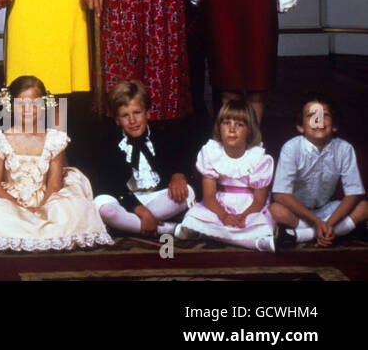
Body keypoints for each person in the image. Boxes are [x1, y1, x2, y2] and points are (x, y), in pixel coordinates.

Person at [0, 75, 113, 251]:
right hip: (7, 197)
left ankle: (45, 231)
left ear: (43, 106)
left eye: (34, 103)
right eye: (21, 104)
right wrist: (17, 205)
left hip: (45, 197)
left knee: (69, 212)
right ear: (10, 105)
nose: (28, 109)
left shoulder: (54, 140)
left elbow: (54, 184)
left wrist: (42, 206)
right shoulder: (0, 139)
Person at [92, 80, 195, 237]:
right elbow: (112, 185)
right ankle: (168, 229)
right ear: (117, 120)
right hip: (126, 200)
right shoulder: (109, 143)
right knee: (102, 207)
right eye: (125, 115)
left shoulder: (163, 133)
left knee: (188, 192)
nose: (132, 120)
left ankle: (127, 226)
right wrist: (142, 211)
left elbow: (182, 155)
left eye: (137, 113)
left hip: (158, 197)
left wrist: (178, 175)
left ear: (147, 113)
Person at [175, 99, 277, 251]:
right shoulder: (212, 152)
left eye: (239, 124)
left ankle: (206, 234)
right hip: (219, 205)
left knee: (261, 225)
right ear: (219, 127)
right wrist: (223, 216)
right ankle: (250, 242)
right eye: (226, 123)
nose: (232, 129)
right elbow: (209, 196)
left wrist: (242, 217)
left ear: (249, 130)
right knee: (193, 217)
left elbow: (259, 201)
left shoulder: (258, 158)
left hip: (249, 208)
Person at [270, 95, 368, 247]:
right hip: (298, 212)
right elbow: (281, 194)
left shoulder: (344, 148)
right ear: (300, 127)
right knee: (276, 211)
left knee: (364, 207)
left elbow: (353, 193)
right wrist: (316, 222)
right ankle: (337, 232)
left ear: (334, 125)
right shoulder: (291, 148)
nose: (318, 120)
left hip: (327, 211)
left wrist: (328, 223)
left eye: (325, 115)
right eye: (311, 116)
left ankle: (299, 236)